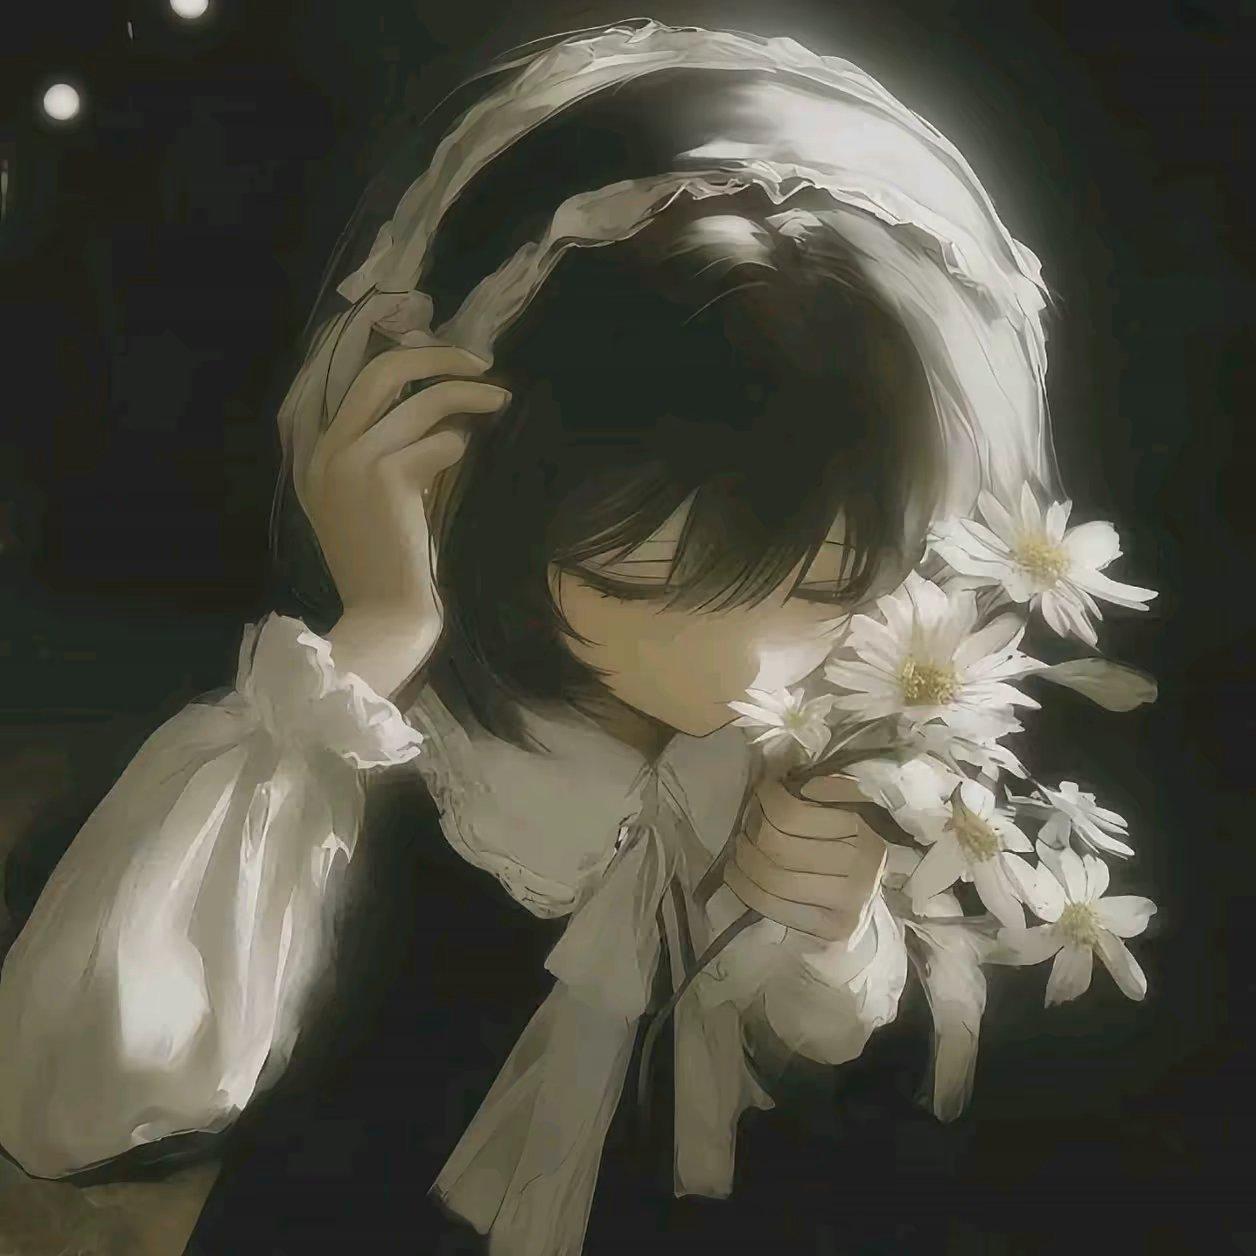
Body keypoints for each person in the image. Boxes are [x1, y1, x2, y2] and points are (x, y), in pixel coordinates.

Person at [0, 19, 1064, 1254]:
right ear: (474, 498)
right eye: (638, 579)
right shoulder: (373, 751)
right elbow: (70, 1099)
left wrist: (832, 931)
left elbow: (900, 1142)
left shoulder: (865, 768)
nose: (740, 666)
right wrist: (379, 629)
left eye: (825, 586)